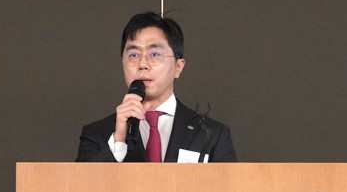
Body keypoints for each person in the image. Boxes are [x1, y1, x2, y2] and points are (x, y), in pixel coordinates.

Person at [76, 12, 237, 163]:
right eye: (133, 55)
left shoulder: (212, 135)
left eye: (154, 55)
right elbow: (86, 183)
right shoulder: (96, 134)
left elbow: (230, 185)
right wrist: (119, 141)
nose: (142, 64)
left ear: (178, 67)